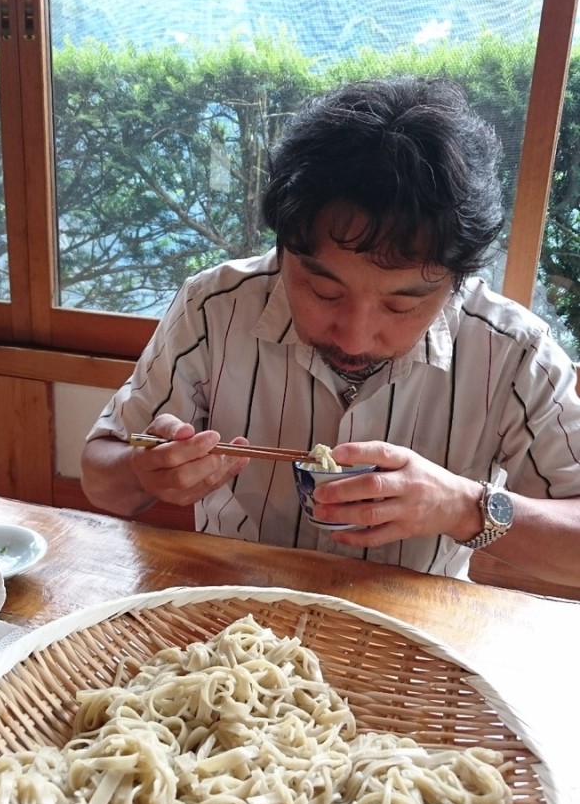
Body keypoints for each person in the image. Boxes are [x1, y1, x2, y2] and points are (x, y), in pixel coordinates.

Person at [81, 75, 580, 585]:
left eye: (401, 304)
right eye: (325, 292)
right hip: (233, 630)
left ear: (457, 281)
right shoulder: (214, 307)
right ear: (283, 250)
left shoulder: (514, 351)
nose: (355, 338)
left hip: (409, 642)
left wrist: (463, 507)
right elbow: (101, 474)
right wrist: (145, 473)